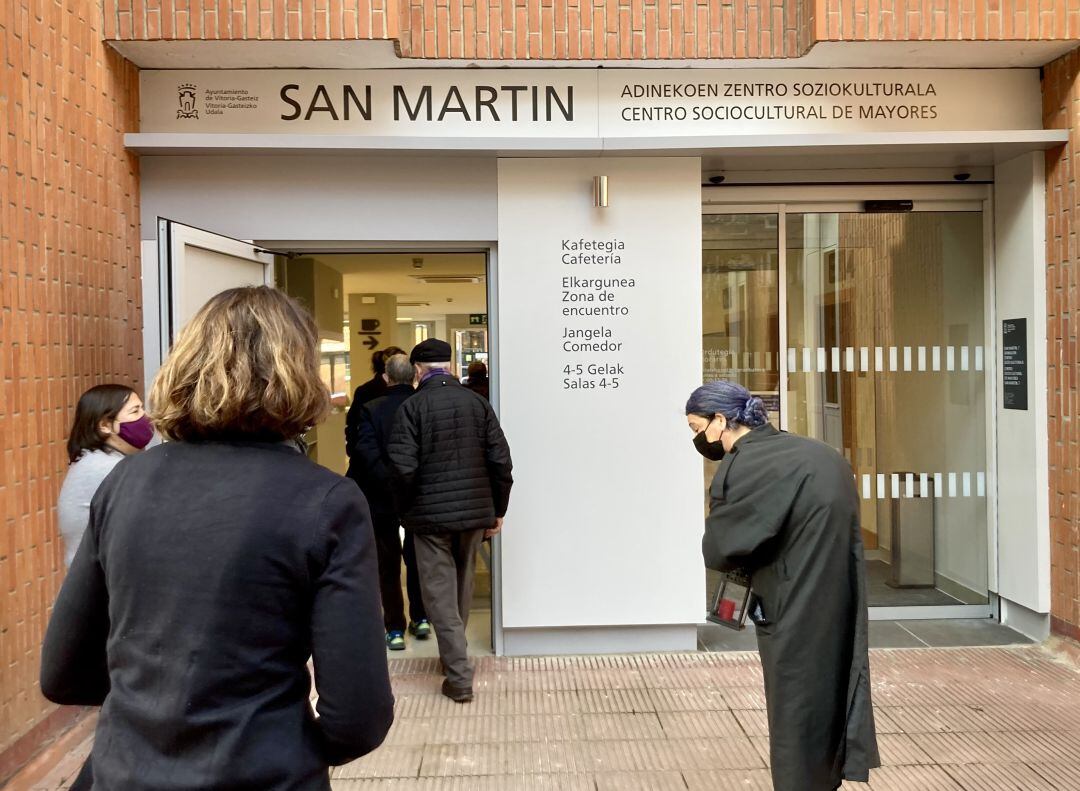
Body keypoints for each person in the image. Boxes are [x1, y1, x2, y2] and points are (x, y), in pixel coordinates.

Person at [41, 286, 394, 791]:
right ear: (299, 372)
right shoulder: (326, 501)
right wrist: (285, 744)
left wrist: (151, 715)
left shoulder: (125, 482)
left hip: (124, 772)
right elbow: (360, 714)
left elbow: (63, 674)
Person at [686, 380, 879, 791]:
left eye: (697, 427)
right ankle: (829, 776)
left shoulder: (746, 465)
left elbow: (721, 547)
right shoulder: (820, 454)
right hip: (839, 597)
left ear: (721, 420)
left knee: (794, 708)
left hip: (791, 604)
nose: (697, 438)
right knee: (833, 690)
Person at [387, 338, 513, 703]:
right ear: (451, 365)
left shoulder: (412, 408)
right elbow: (501, 462)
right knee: (460, 587)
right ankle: (451, 659)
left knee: (438, 593)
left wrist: (406, 511)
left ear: (417, 370)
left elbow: (402, 468)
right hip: (474, 515)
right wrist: (498, 509)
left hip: (429, 520)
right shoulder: (478, 404)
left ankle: (458, 677)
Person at [349, 352, 430, 650]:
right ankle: (421, 618)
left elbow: (365, 452)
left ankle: (394, 627)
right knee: (418, 557)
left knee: (388, 564)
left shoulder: (372, 408)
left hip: (381, 497)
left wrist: (388, 481)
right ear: (414, 376)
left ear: (386, 377)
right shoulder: (423, 406)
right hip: (418, 496)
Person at [57, 385, 153, 568]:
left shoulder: (96, 460)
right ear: (105, 426)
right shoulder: (107, 468)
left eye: (142, 408)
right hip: (102, 585)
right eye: (135, 411)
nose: (146, 416)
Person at [345, 346, 405, 460]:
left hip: (367, 458)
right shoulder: (369, 391)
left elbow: (351, 424)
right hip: (377, 458)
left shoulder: (364, 389)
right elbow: (353, 424)